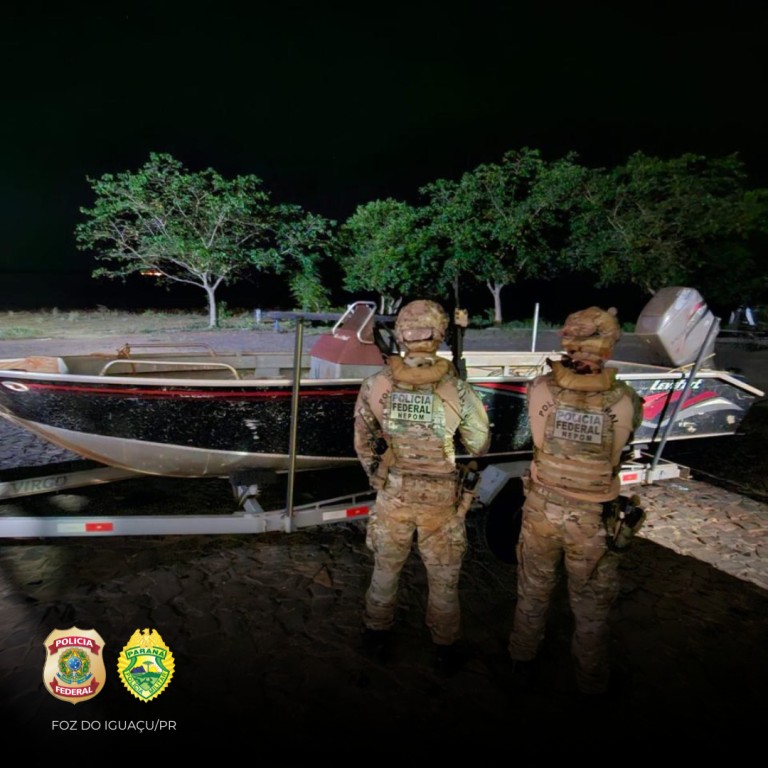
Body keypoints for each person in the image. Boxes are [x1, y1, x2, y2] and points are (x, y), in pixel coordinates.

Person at [507, 305, 643, 696]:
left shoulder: (541, 387)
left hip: (542, 507)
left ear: (567, 340)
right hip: (591, 517)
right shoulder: (625, 399)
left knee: (533, 590)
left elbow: (537, 436)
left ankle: (521, 661)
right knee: (591, 605)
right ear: (609, 344)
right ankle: (591, 682)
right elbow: (618, 450)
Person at [353, 299, 490, 670]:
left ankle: (376, 635)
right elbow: (478, 444)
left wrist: (379, 477)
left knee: (385, 570)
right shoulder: (457, 388)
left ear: (400, 334)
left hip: (393, 493)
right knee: (443, 578)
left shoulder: (375, 384)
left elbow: (363, 442)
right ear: (439, 334)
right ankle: (445, 647)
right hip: (441, 500)